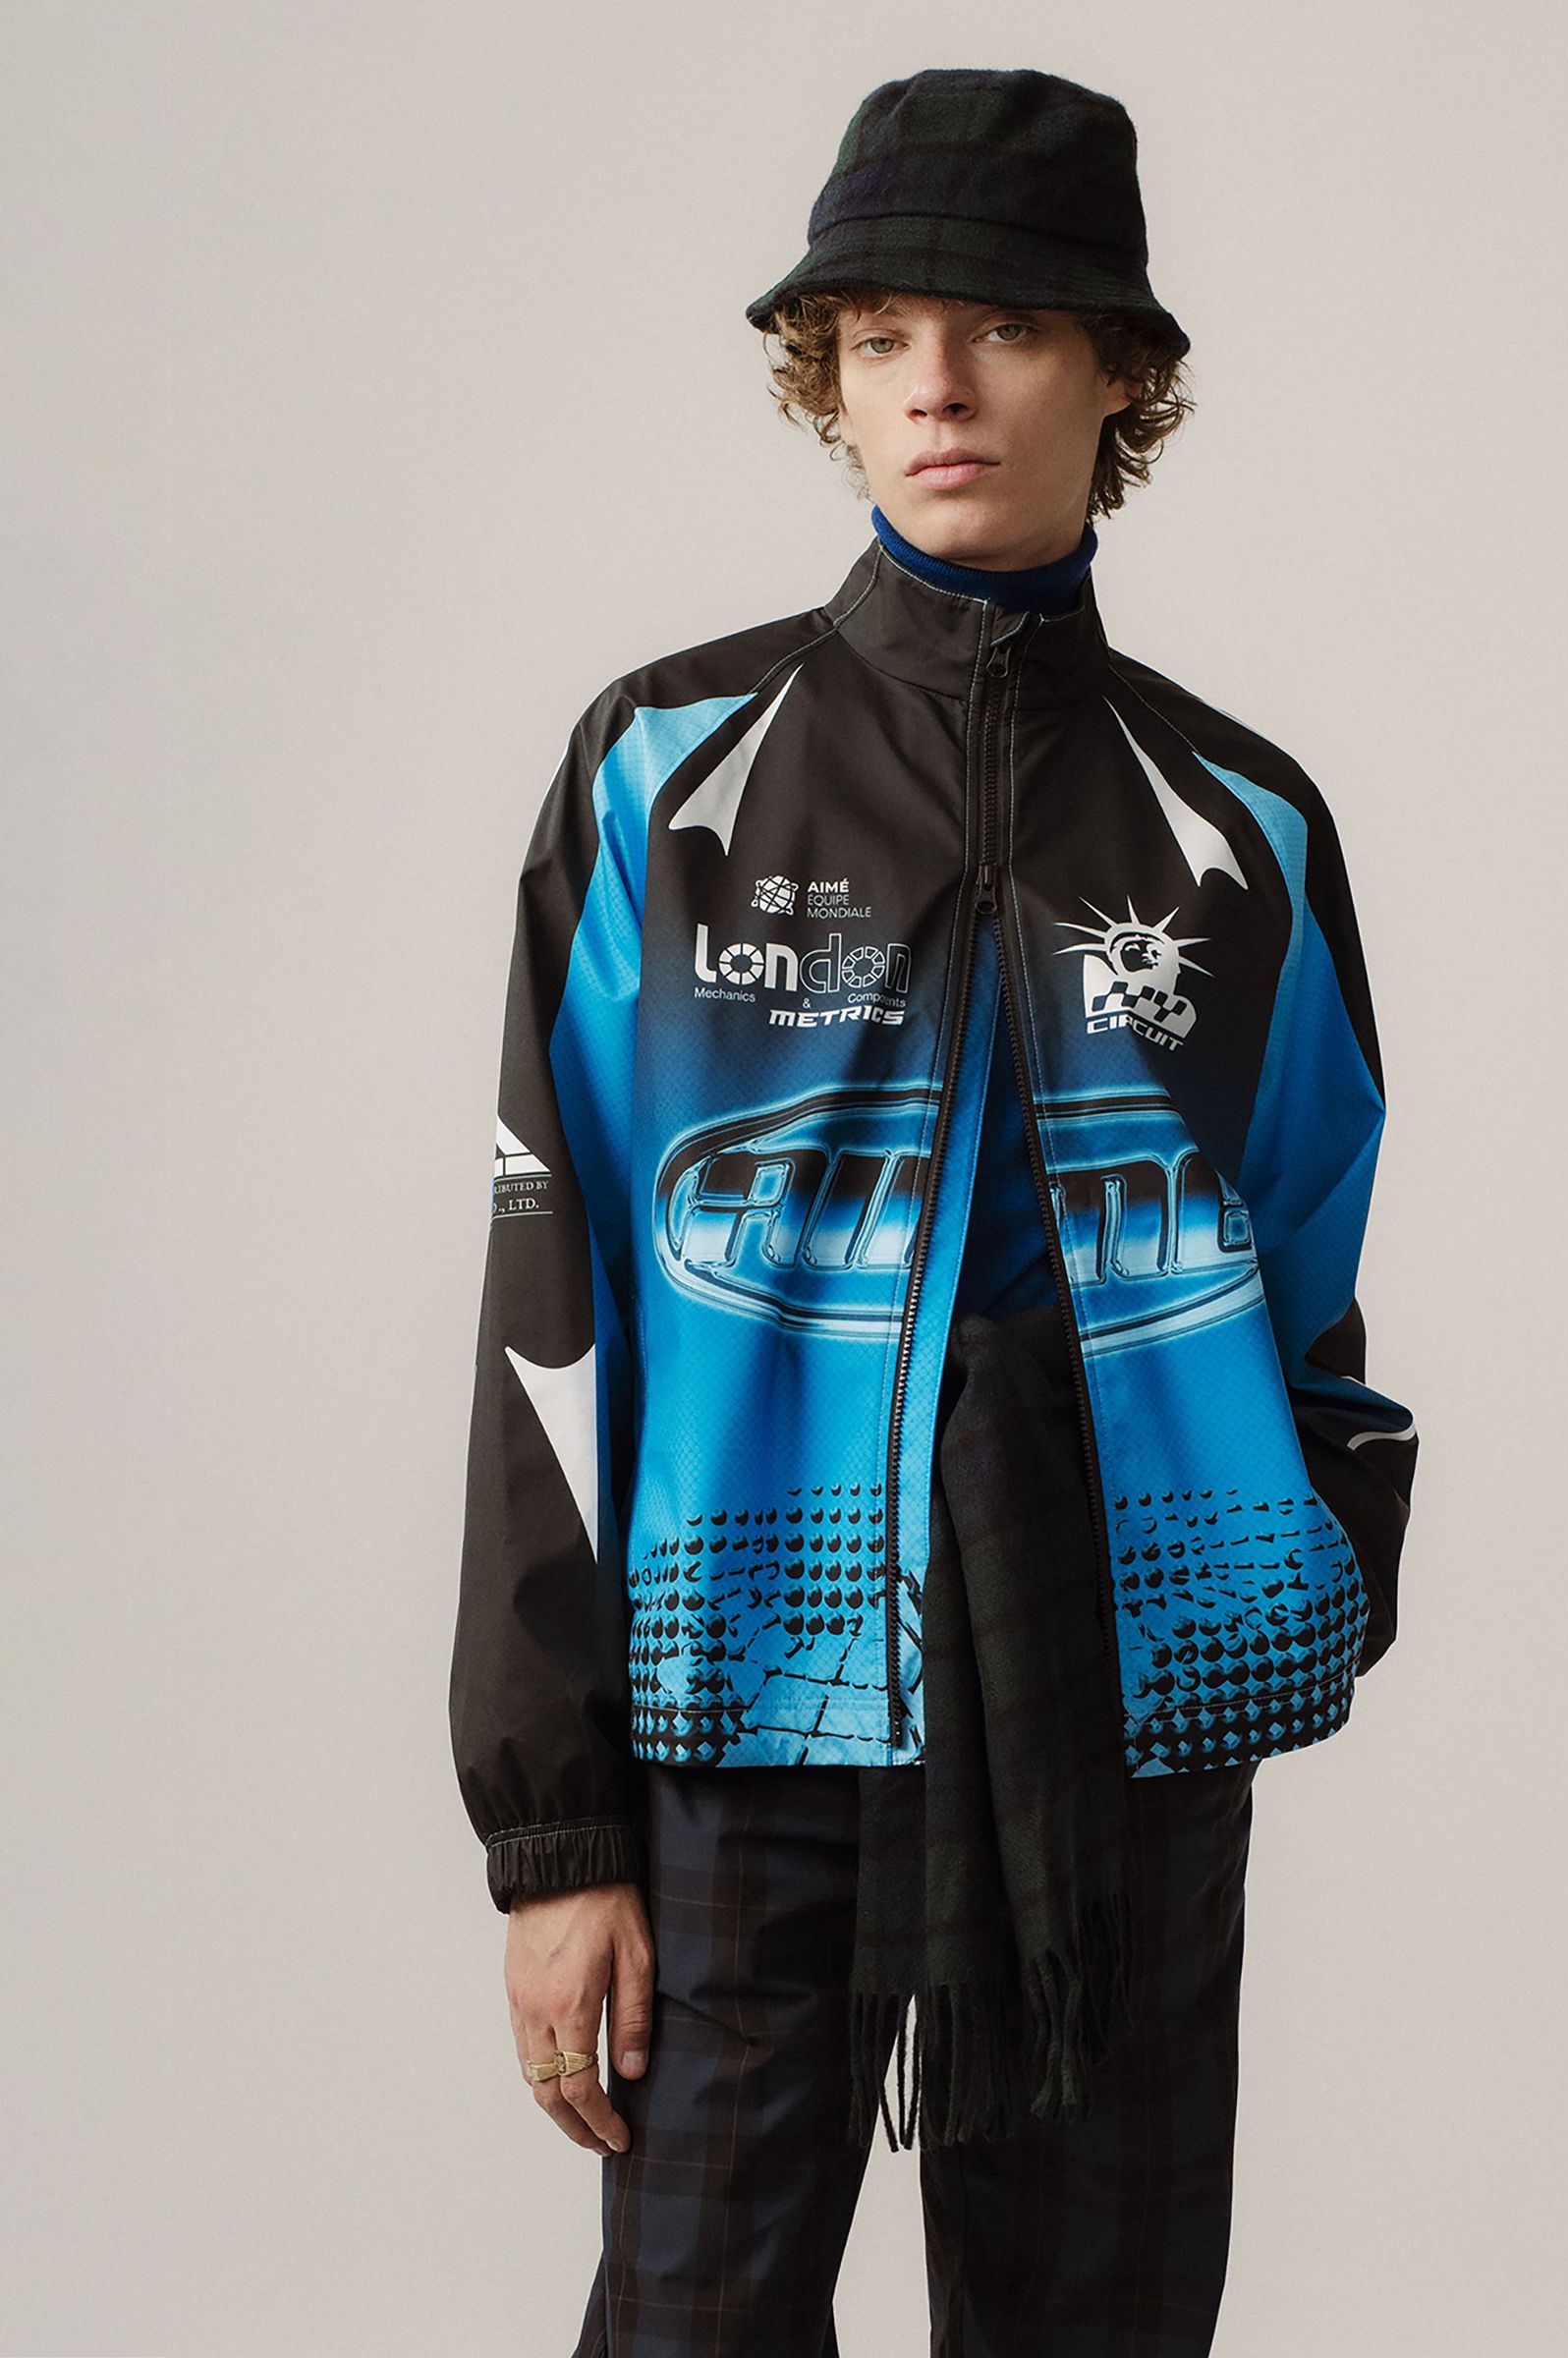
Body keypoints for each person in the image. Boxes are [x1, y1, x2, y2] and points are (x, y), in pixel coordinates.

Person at [448, 65, 1420, 2358]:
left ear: (1122, 373)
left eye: (1002, 327)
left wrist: (1295, 1582)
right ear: (832, 381)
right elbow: (549, 1306)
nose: (937, 386)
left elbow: (1304, 1254)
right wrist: (555, 1832)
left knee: (1098, 2325)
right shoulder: (661, 775)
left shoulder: (1244, 823)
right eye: (881, 336)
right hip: (742, 1689)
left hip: (1117, 1709)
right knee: (691, 2322)